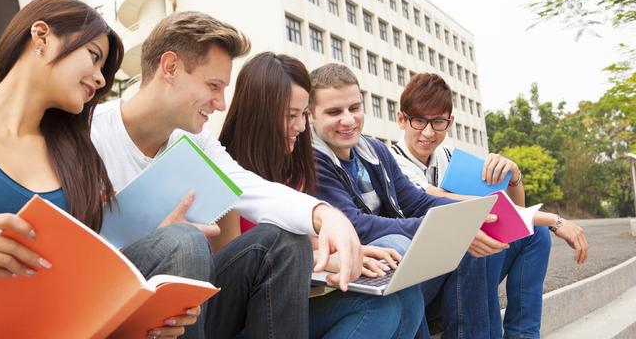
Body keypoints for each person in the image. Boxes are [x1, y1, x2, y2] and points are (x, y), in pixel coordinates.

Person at [0, 0, 197, 339]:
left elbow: (75, 306)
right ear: (41, 36)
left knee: (184, 243)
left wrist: (145, 322)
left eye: (102, 75)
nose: (97, 79)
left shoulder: (79, 165)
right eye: (93, 57)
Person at [90, 11, 364, 339]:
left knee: (283, 239)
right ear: (171, 68)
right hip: (109, 305)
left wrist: (324, 215)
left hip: (192, 317)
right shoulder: (88, 134)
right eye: (213, 86)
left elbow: (249, 187)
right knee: (185, 241)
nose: (220, 104)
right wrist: (158, 243)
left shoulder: (196, 141)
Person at [212, 51, 423, 339]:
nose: (301, 127)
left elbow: (307, 242)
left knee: (398, 277)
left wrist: (351, 252)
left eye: (303, 115)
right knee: (376, 308)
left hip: (294, 301)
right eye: (290, 116)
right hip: (249, 318)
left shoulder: (293, 166)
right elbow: (239, 269)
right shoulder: (223, 173)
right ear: (258, 113)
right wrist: (327, 261)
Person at [389, 72, 589, 339]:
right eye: (419, 121)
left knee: (533, 234)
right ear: (401, 119)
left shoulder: (451, 157)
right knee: (473, 235)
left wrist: (514, 176)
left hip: (461, 275)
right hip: (420, 285)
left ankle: (522, 335)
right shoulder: (391, 162)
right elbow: (458, 208)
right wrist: (555, 221)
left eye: (437, 122)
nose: (428, 132)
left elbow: (512, 212)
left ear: (450, 122)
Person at [307, 63, 499, 339]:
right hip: (346, 280)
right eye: (334, 112)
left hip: (393, 267)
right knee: (399, 245)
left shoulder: (375, 150)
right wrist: (438, 228)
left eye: (354, 108)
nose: (348, 120)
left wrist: (467, 215)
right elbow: (355, 226)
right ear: (311, 116)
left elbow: (418, 202)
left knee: (466, 236)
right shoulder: (312, 160)